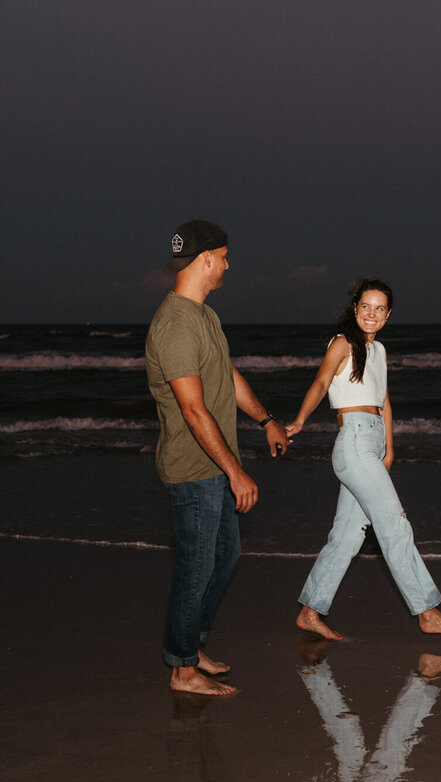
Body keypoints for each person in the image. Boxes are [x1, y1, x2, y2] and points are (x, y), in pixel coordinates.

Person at [145, 219, 291, 695]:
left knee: (224, 559)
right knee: (196, 567)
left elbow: (226, 378)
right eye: (224, 256)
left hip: (212, 468)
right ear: (205, 259)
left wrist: (266, 418)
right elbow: (192, 408)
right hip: (194, 471)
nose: (228, 264)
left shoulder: (204, 316)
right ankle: (182, 669)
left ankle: (191, 644)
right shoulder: (174, 324)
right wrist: (236, 472)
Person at [285, 278, 441, 640]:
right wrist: (299, 420)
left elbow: (384, 402)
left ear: (388, 315)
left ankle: (310, 611)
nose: (372, 313)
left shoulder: (380, 351)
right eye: (366, 306)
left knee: (346, 536)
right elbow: (322, 382)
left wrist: (389, 447)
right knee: (394, 525)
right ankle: (427, 611)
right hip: (353, 440)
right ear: (355, 308)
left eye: (379, 308)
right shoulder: (342, 343)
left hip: (370, 442)